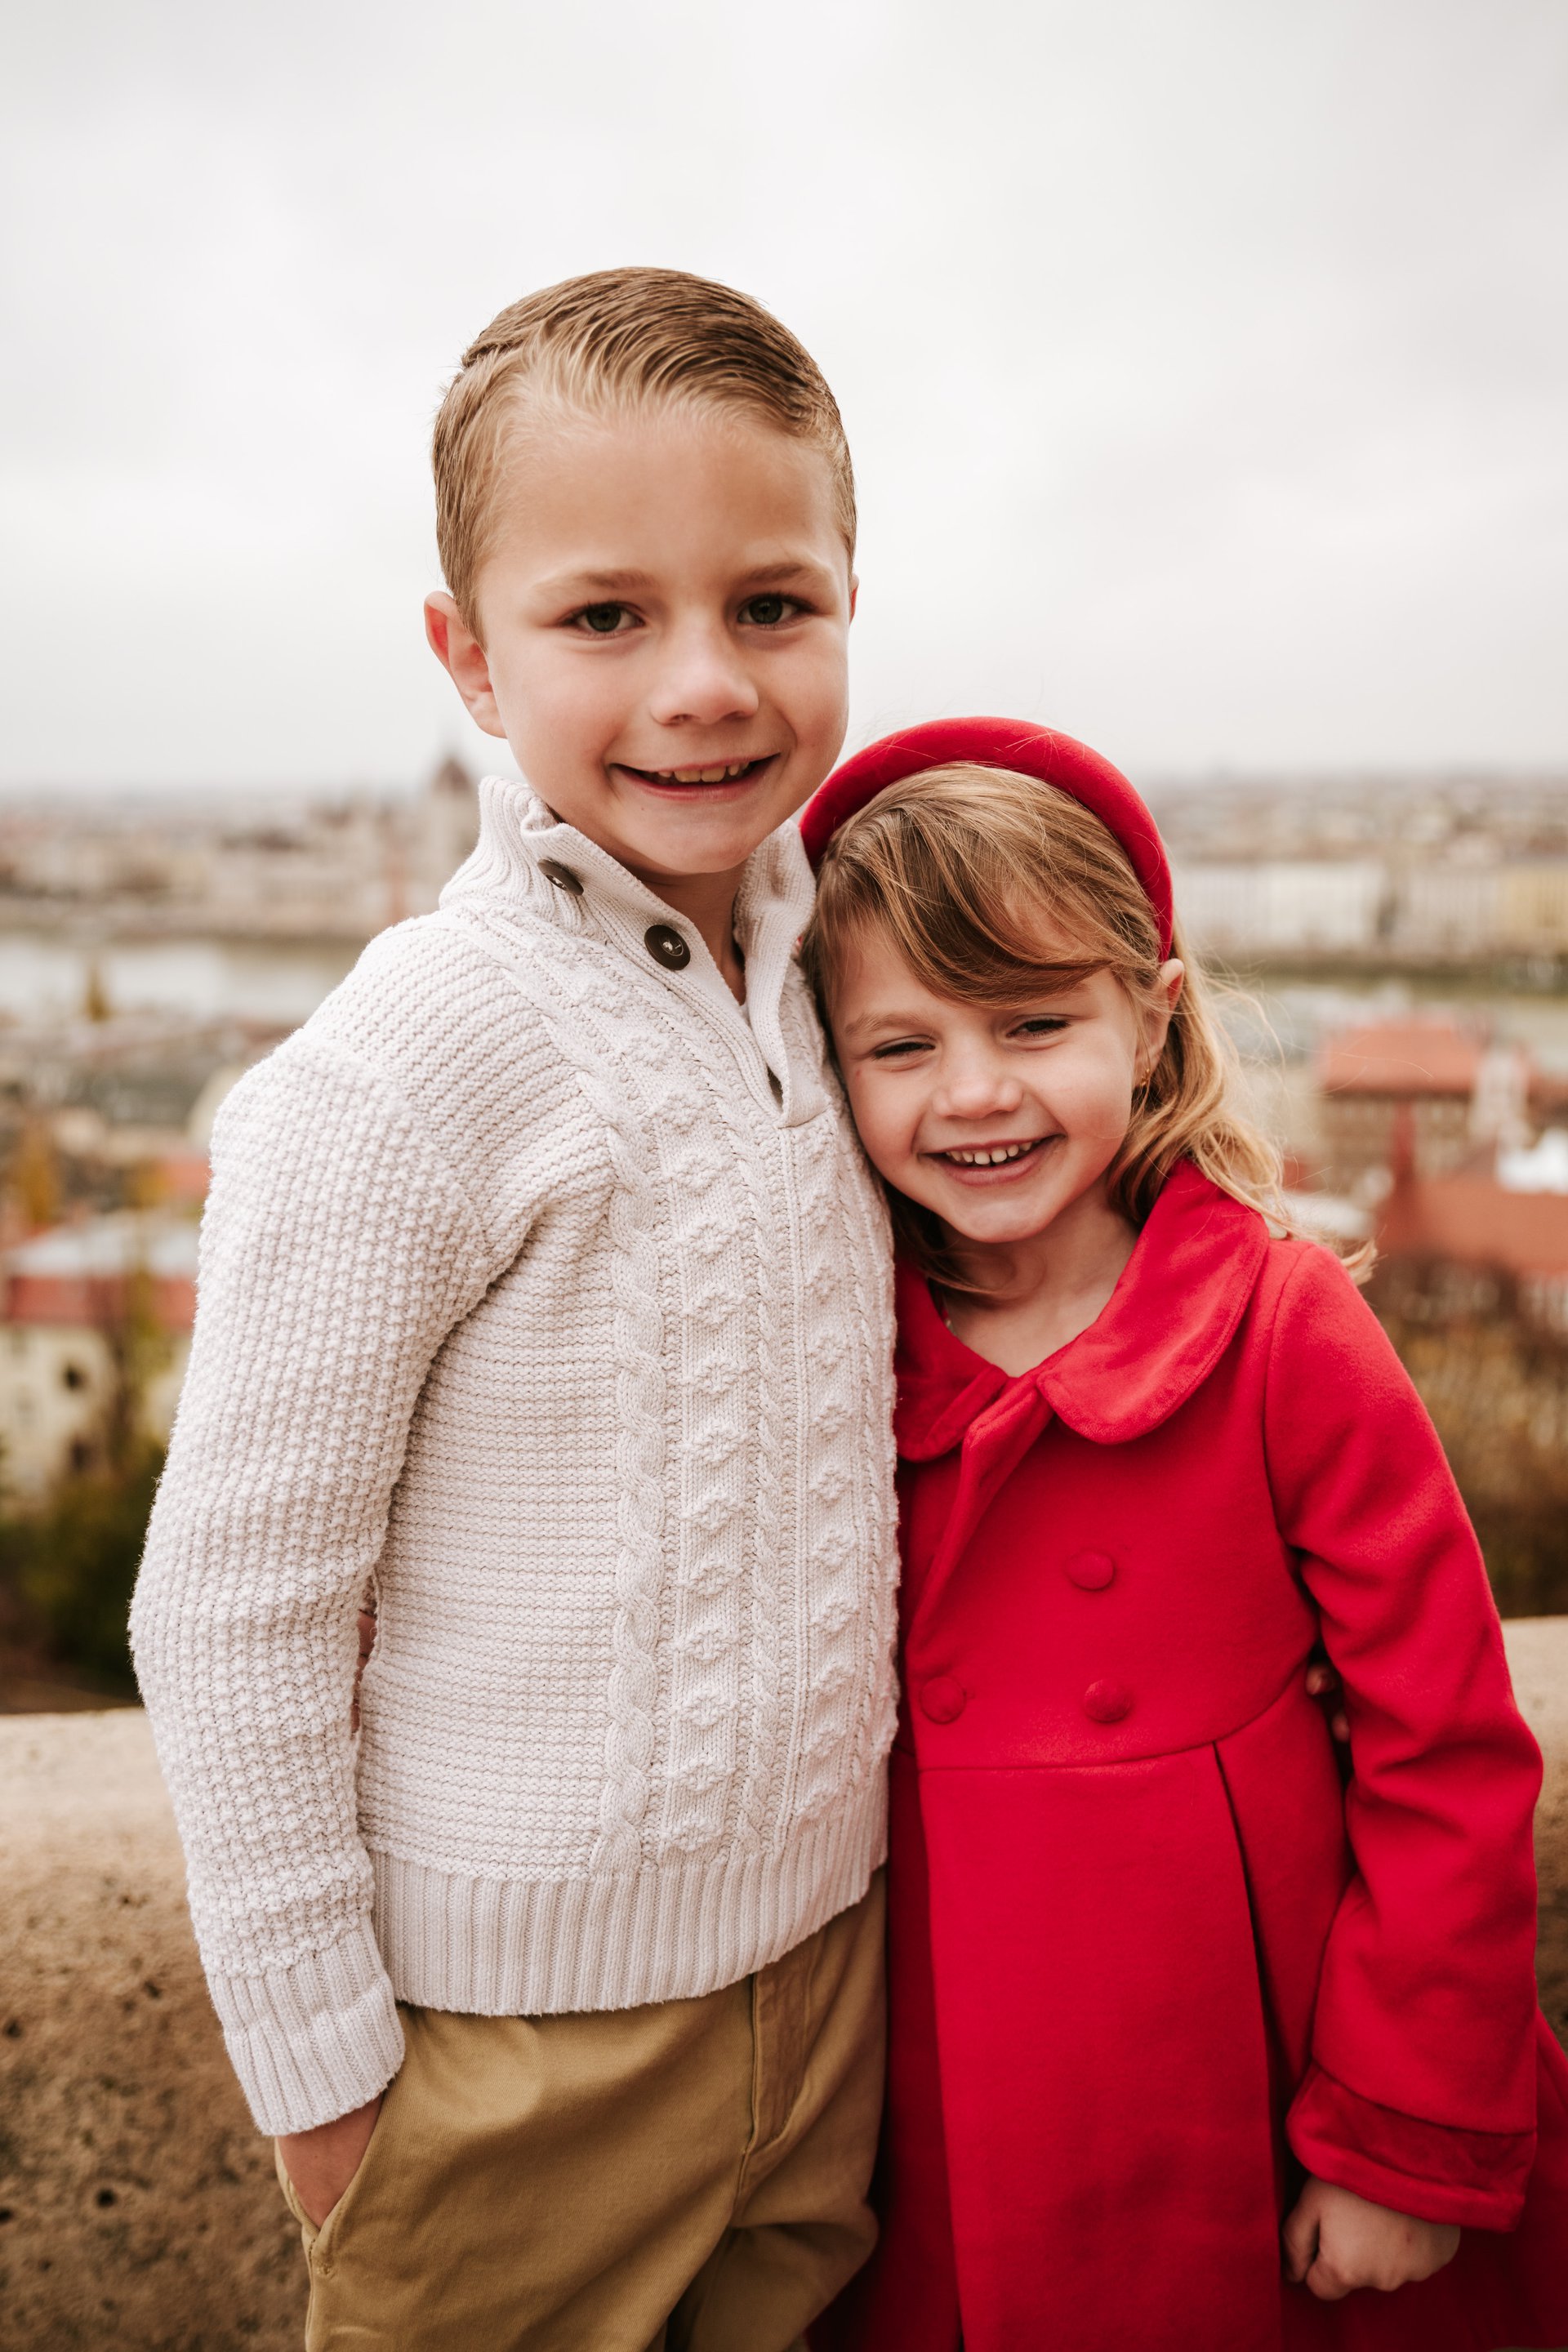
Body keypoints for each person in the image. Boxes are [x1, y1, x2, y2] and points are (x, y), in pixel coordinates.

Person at [129, 268, 902, 2352]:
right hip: (510, 2060)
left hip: (834, 1987)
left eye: (771, 604)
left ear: (852, 600)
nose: (703, 684)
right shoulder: (415, 1058)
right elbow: (231, 1603)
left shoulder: (844, 985)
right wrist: (328, 2088)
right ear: (469, 658)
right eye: (605, 617)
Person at [796, 717, 1568, 2352]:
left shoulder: (1280, 1328)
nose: (977, 1092)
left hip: (1252, 2090)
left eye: (1034, 1021)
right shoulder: (822, 1354)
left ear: (1150, 1021)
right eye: (902, 1045)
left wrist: (1400, 2136)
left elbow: (1446, 1747)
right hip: (932, 2117)